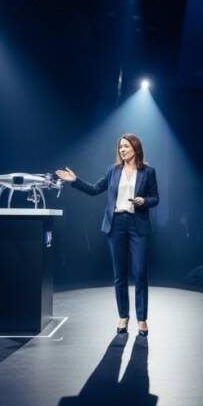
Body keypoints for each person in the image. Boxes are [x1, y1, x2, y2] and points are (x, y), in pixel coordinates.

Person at [56, 134, 159, 337]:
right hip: (116, 224)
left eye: (126, 146)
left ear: (135, 148)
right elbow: (95, 189)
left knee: (140, 273)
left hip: (137, 225)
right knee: (119, 275)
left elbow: (155, 198)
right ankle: (123, 316)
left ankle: (142, 319)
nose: (122, 150)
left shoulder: (148, 171)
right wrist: (75, 180)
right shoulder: (113, 170)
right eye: (120, 147)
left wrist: (144, 201)